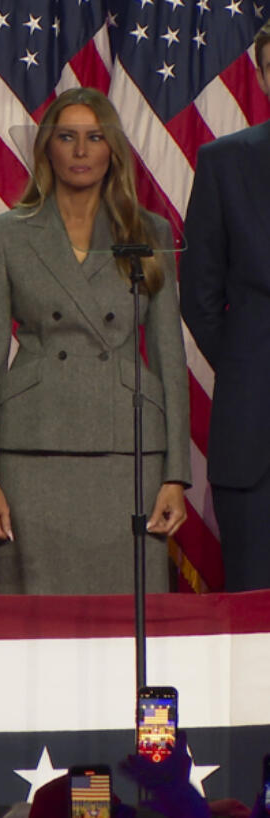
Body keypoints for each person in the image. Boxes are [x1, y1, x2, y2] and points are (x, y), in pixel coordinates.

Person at [0, 87, 190, 594]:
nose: (81, 150)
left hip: (128, 451)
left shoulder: (148, 232)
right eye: (67, 137)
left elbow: (170, 361)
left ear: (112, 149)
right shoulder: (6, 234)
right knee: (37, 619)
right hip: (32, 450)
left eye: (94, 137)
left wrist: (176, 475)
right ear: (48, 147)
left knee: (127, 618)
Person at [179, 22, 270, 592]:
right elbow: (200, 297)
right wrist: (247, 365)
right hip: (256, 442)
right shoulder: (224, 163)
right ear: (262, 76)